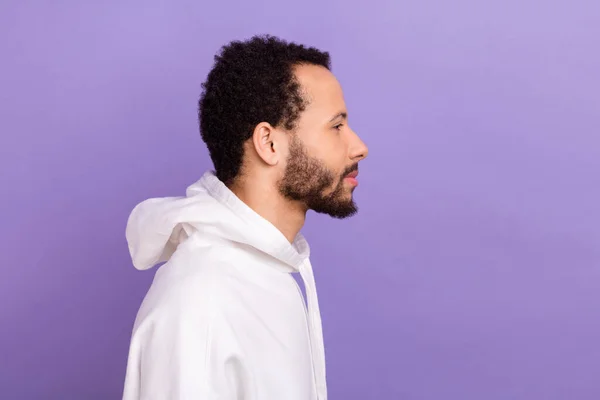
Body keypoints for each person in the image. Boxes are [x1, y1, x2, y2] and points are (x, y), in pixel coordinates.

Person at [122, 34, 369, 400]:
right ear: (269, 144)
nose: (359, 147)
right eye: (336, 126)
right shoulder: (200, 304)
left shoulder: (269, 273)